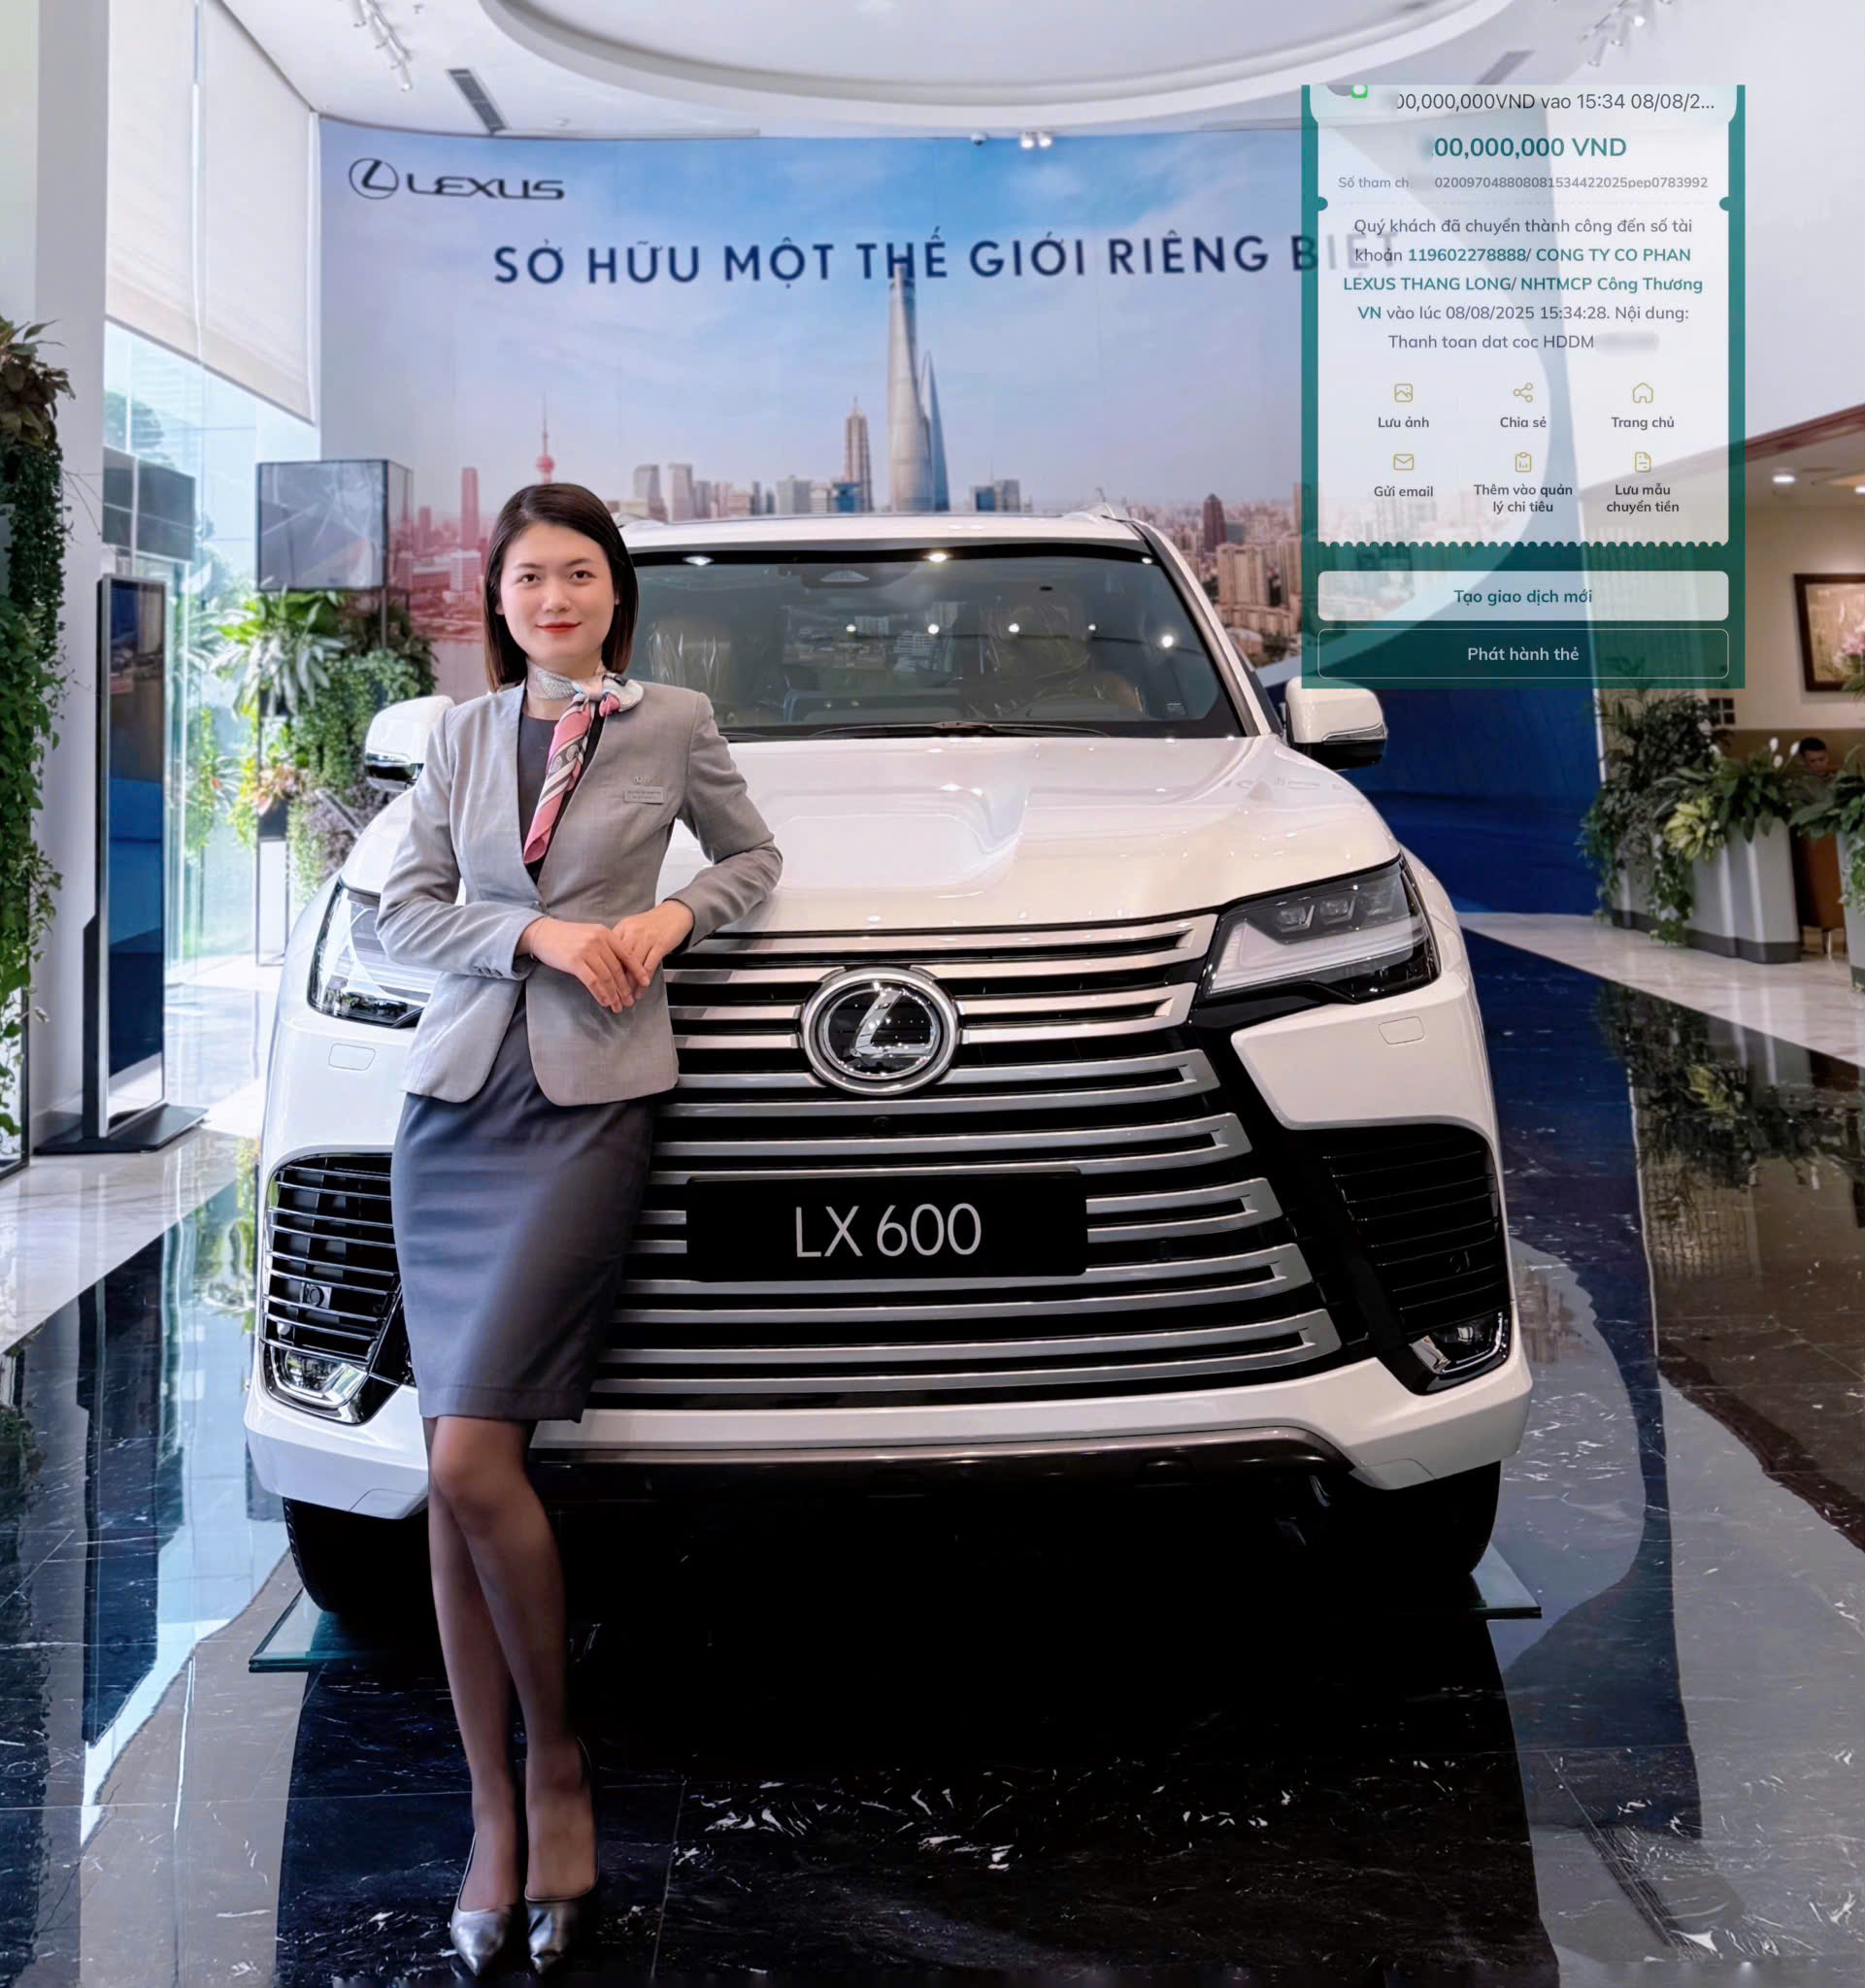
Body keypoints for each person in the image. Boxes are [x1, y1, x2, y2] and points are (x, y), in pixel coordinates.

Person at [375, 481, 783, 1973]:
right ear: (498, 599)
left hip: (588, 1102)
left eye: (579, 574)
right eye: (528, 578)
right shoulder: (459, 737)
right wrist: (534, 931)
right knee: (452, 1475)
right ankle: (497, 1812)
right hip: (454, 1107)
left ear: (615, 591)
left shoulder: (672, 722)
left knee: (470, 1461)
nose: (553, 598)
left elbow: (752, 861)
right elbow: (400, 910)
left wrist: (671, 920)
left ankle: (555, 1769)